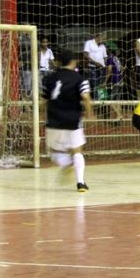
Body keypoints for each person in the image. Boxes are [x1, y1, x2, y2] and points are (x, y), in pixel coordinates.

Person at [41, 49, 94, 192]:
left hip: (54, 119)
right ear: (73, 61)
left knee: (54, 152)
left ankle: (66, 163)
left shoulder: (49, 78)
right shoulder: (79, 78)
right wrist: (90, 113)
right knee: (77, 151)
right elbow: (86, 97)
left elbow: (44, 100)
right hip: (73, 120)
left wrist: (41, 114)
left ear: (58, 62)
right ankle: (81, 183)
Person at [83, 31, 107, 99]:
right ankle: (97, 104)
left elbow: (105, 57)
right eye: (103, 38)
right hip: (93, 68)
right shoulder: (89, 43)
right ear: (98, 37)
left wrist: (104, 63)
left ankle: (103, 104)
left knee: (102, 85)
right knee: (95, 85)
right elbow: (85, 55)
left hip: (102, 68)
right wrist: (95, 62)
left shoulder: (103, 46)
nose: (104, 40)